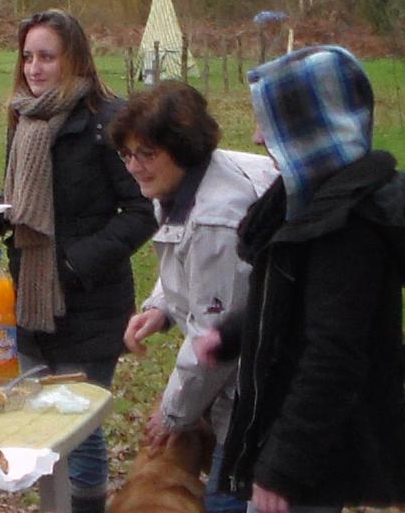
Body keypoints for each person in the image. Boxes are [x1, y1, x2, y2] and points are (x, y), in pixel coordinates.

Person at [193, 46, 405, 513]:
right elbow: (289, 296)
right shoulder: (304, 199)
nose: (257, 138)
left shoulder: (349, 228)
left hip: (315, 451)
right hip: (289, 427)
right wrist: (233, 332)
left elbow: (333, 357)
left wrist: (283, 469)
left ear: (315, 128)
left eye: (271, 125)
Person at [0, 9, 156, 513]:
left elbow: (142, 210)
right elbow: (23, 202)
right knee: (35, 425)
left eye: (46, 56)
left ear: (74, 59)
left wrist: (74, 265)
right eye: (27, 57)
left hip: (89, 302)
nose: (34, 68)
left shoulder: (109, 120)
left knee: (78, 433)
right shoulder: (24, 117)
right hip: (28, 298)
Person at [108, 81, 276, 513]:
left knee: (226, 501)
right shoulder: (180, 185)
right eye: (127, 154)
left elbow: (213, 339)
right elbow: (189, 266)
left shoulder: (217, 218)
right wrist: (161, 307)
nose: (134, 167)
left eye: (147, 154)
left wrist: (172, 414)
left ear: (183, 148)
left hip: (264, 397)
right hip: (251, 387)